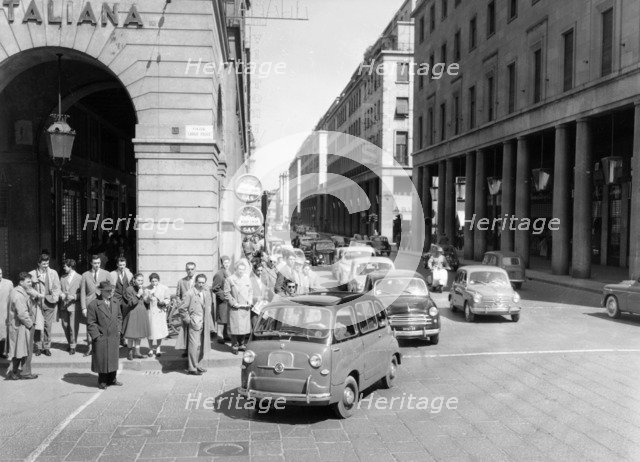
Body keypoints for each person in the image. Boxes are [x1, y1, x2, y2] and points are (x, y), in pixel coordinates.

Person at [87, 280, 122, 389]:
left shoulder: (115, 302)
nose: (111, 292)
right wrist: (97, 336)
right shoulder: (94, 304)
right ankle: (102, 381)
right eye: (108, 291)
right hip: (101, 337)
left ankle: (112, 379)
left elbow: (119, 317)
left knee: (113, 358)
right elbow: (91, 323)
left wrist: (118, 330)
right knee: (102, 360)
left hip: (113, 336)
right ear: (101, 291)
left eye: (111, 290)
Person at [177, 273, 213, 375]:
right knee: (193, 345)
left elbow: (208, 306)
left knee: (202, 345)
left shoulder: (206, 292)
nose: (201, 284)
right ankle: (192, 368)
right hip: (194, 323)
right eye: (199, 282)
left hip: (204, 322)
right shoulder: (190, 293)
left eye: (203, 282)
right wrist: (188, 320)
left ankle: (198, 365)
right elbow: (182, 308)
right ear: (196, 282)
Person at [5, 272, 38, 380]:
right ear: (21, 282)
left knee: (19, 350)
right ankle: (23, 372)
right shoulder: (18, 295)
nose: (30, 283)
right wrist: (31, 325)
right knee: (24, 350)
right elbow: (22, 314)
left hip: (18, 326)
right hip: (21, 326)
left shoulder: (17, 291)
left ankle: (16, 372)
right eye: (28, 282)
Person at [29, 253, 61, 357]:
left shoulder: (53, 273)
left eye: (47, 263)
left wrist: (55, 299)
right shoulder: (32, 274)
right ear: (38, 263)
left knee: (48, 326)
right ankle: (38, 347)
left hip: (49, 303)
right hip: (37, 304)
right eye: (43, 264)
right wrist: (36, 295)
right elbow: (28, 289)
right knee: (38, 327)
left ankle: (47, 347)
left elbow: (57, 287)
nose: (46, 265)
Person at [80, 255, 111, 356]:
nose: (97, 265)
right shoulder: (85, 275)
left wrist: (109, 302)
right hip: (90, 304)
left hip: (102, 303)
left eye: (98, 263)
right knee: (90, 325)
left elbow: (111, 289)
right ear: (91, 263)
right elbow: (83, 292)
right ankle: (90, 348)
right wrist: (83, 307)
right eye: (95, 263)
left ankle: (100, 347)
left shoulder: (106, 274)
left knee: (102, 325)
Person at [224, 259, 253, 355]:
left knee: (244, 327)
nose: (241, 271)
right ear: (235, 269)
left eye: (243, 269)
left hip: (244, 307)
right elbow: (226, 293)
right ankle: (235, 345)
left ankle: (242, 344)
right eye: (239, 269)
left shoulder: (247, 279)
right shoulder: (230, 279)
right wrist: (233, 303)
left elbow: (250, 291)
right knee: (235, 328)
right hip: (235, 307)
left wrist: (249, 300)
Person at [123, 273, 150, 360]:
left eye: (142, 280)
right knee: (131, 334)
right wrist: (138, 295)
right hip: (133, 313)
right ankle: (130, 352)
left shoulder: (143, 289)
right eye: (138, 280)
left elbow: (146, 303)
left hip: (142, 313)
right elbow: (130, 303)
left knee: (139, 334)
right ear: (134, 280)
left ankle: (137, 352)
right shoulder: (129, 289)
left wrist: (147, 298)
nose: (140, 282)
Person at [59, 259, 82, 355]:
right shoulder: (63, 277)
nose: (64, 268)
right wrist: (61, 294)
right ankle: (70, 342)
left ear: (70, 267)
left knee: (73, 327)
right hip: (64, 305)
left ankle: (73, 345)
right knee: (65, 326)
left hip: (74, 305)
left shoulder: (80, 278)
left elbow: (83, 292)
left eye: (65, 266)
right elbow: (59, 289)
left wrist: (75, 296)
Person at [110, 256, 133, 347]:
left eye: (123, 265)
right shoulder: (112, 274)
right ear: (117, 265)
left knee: (125, 318)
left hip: (126, 299)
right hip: (116, 298)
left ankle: (123, 338)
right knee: (115, 318)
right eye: (120, 265)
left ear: (125, 265)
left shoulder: (129, 274)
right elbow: (110, 287)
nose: (122, 266)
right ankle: (116, 337)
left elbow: (131, 285)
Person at [145, 273, 170, 357]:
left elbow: (168, 299)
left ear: (158, 280)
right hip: (151, 312)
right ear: (150, 281)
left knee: (159, 331)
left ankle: (158, 348)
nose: (154, 283)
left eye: (156, 281)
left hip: (160, 311)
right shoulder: (147, 289)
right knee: (151, 331)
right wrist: (149, 295)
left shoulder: (164, 288)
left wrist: (164, 302)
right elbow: (146, 301)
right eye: (152, 281)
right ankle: (151, 349)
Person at [175, 262, 197, 356]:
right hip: (185, 311)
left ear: (195, 270)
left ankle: (195, 351)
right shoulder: (181, 281)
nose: (190, 271)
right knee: (186, 330)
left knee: (196, 330)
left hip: (196, 310)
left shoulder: (198, 281)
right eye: (188, 269)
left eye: (192, 269)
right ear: (185, 270)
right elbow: (177, 296)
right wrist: (180, 306)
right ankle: (186, 350)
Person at [211, 256, 231, 344]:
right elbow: (215, 288)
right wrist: (223, 295)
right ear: (221, 263)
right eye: (225, 262)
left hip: (228, 299)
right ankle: (220, 336)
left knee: (227, 317)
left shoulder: (229, 272)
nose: (226, 264)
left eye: (228, 262)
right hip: (222, 300)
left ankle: (226, 335)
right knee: (221, 318)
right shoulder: (219, 274)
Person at [0, 268, 12, 359]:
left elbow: (12, 298)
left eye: (0, 273)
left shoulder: (8, 283)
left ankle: (3, 351)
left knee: (3, 333)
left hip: (4, 312)